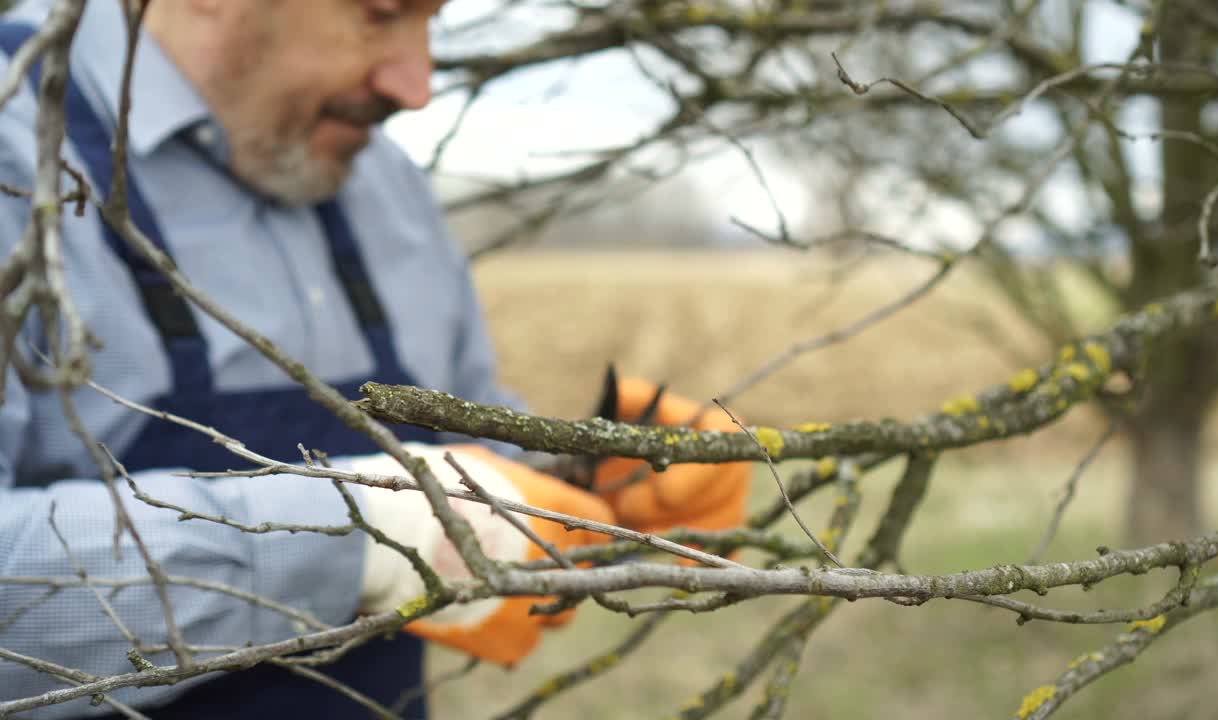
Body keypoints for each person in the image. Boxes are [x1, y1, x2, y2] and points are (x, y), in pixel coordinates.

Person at [0, 1, 750, 718]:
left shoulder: (385, 184)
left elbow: (459, 440)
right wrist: (358, 538)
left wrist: (579, 479)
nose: (415, 86)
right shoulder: (13, 148)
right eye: (382, 12)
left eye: (436, 18)